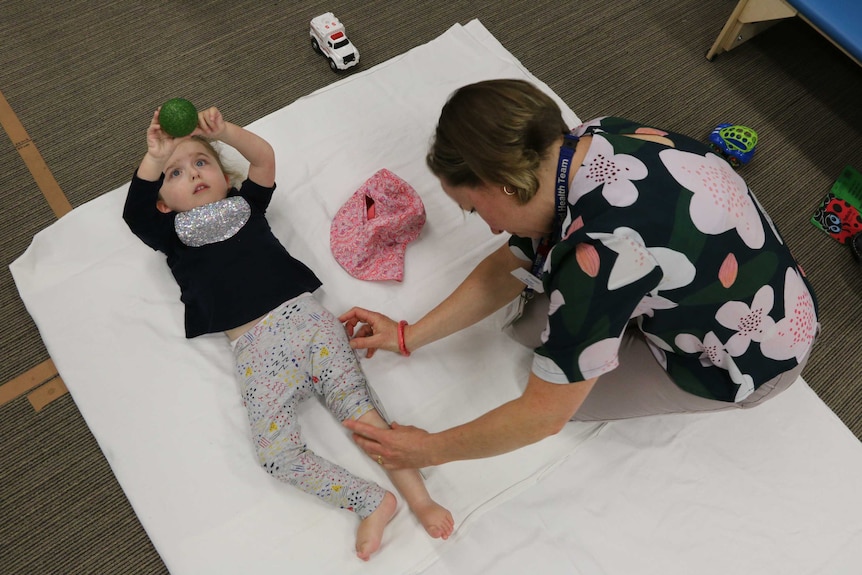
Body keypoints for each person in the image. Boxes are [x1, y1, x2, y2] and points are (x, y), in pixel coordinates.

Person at [339, 78, 819, 471]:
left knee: (569, 395)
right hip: (767, 286)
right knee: (533, 326)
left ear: (504, 184)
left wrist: (428, 449)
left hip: (754, 359)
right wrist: (408, 335)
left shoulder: (604, 255)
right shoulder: (593, 136)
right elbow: (510, 262)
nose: (490, 226)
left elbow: (542, 416)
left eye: (473, 209)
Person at [122, 106, 453, 560]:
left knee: (365, 415)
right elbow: (135, 211)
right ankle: (370, 501)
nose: (194, 173)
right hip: (255, 350)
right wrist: (156, 155)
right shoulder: (171, 235)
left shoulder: (246, 206)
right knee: (276, 455)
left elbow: (263, 160)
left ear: (224, 177)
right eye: (175, 173)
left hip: (308, 323)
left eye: (203, 162)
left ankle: (421, 498)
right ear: (164, 202)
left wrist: (227, 132)